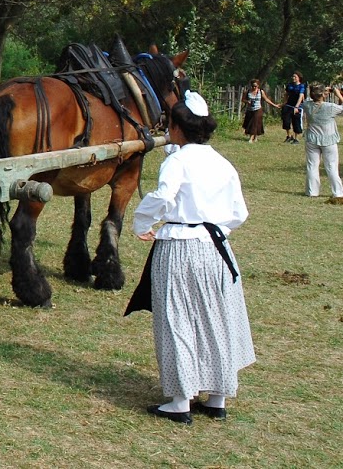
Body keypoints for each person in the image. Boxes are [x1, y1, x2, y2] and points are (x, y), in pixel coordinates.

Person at [127, 91, 255, 424]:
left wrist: (141, 222)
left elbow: (164, 195)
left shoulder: (178, 160)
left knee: (177, 318)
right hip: (215, 248)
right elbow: (239, 212)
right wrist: (214, 229)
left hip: (180, 247)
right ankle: (217, 397)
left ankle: (181, 400)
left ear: (180, 128)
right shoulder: (222, 162)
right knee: (217, 316)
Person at [301, 83, 343, 198]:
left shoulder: (307, 105)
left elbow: (310, 100)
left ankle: (312, 191)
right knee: (331, 166)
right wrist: (338, 93)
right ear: (324, 94)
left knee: (312, 165)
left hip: (312, 139)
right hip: (328, 139)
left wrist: (321, 92)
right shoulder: (330, 107)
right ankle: (338, 192)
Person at [281, 71, 306, 143]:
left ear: (299, 78)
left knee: (296, 122)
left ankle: (296, 138)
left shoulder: (301, 86)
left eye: (295, 77)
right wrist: (284, 103)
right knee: (286, 121)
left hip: (297, 106)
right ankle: (289, 136)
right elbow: (286, 94)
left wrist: (296, 107)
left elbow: (301, 96)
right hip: (288, 105)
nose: (293, 78)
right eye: (293, 76)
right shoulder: (289, 85)